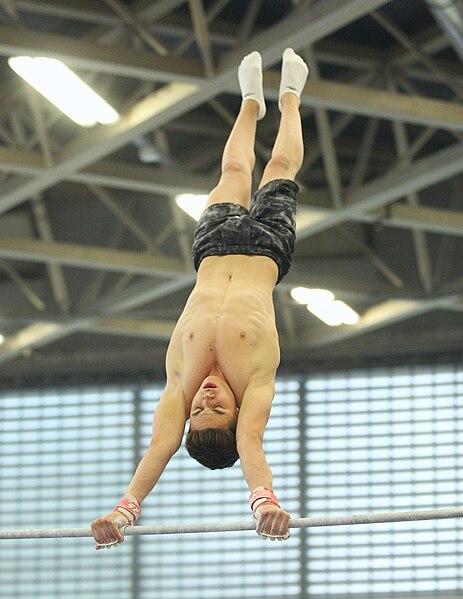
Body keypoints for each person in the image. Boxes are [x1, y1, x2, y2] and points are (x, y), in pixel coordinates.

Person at [91, 48, 309, 549]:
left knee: (233, 168)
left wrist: (124, 513)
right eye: (218, 409)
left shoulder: (179, 385)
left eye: (199, 410)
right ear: (237, 412)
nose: (206, 398)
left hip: (212, 248)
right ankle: (292, 97)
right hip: (266, 251)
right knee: (278, 166)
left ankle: (251, 103)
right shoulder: (255, 382)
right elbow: (251, 444)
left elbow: (158, 448)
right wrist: (264, 500)